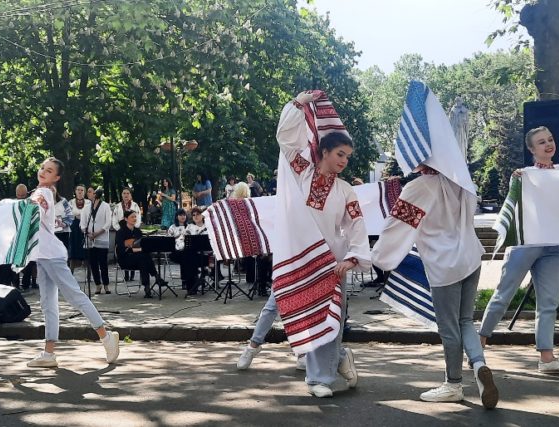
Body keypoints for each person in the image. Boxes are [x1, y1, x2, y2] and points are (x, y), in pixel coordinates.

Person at [236, 91, 370, 398]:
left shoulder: (347, 190)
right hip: (301, 258)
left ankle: (318, 380)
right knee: (307, 316)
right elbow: (285, 139)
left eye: (348, 157)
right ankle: (337, 360)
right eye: (340, 155)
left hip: (331, 262)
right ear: (324, 151)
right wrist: (297, 104)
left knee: (329, 319)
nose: (344, 162)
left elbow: (356, 225)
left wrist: (352, 258)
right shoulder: (303, 172)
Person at [372, 81, 498, 409]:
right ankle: (480, 365)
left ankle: (454, 383)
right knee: (466, 321)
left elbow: (397, 228)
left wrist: (376, 259)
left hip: (444, 265)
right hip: (471, 256)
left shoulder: (418, 188)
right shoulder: (461, 181)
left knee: (448, 327)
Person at [478, 126, 559, 375]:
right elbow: (513, 206)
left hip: (550, 246)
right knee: (503, 296)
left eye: (551, 139)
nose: (548, 145)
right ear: (532, 149)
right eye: (541, 142)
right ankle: (477, 346)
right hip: (525, 246)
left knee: (548, 302)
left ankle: (547, 358)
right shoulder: (524, 174)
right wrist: (517, 180)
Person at [24, 157, 120, 368]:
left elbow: (29, 208)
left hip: (52, 255)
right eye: (42, 168)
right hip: (43, 255)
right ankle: (49, 354)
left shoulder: (44, 193)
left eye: (49, 171)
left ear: (56, 178)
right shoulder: (39, 193)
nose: (43, 172)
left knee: (74, 296)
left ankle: (106, 337)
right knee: (48, 303)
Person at [116, 210, 169, 298]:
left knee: (143, 258)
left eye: (135, 217)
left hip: (139, 258)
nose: (134, 218)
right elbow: (120, 249)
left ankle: (147, 288)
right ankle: (156, 278)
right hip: (125, 259)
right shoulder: (120, 232)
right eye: (132, 217)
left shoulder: (137, 231)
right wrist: (133, 249)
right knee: (143, 257)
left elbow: (142, 245)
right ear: (126, 219)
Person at [168, 206, 209, 296]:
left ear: (202, 216)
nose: (195, 216)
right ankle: (194, 283)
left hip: (206, 256)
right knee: (188, 257)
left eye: (198, 214)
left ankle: (191, 285)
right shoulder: (189, 227)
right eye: (193, 215)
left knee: (188, 258)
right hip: (192, 255)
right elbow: (182, 240)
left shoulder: (209, 227)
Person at [82, 188, 112, 294]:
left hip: (102, 238)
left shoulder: (105, 206)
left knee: (103, 263)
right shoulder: (86, 208)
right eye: (89, 192)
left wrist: (98, 233)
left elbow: (108, 222)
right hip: (90, 239)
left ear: (96, 194)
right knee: (93, 264)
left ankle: (106, 285)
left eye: (92, 192)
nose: (90, 193)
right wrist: (87, 233)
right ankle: (98, 285)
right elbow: (82, 223)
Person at [68, 185, 90, 269]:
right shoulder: (71, 202)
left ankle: (87, 271)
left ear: (84, 192)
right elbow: (69, 214)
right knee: (74, 247)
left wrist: (80, 215)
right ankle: (72, 269)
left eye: (82, 190)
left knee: (85, 248)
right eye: (78, 190)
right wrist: (79, 215)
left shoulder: (88, 202)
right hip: (74, 227)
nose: (80, 192)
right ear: (75, 191)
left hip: (85, 226)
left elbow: (89, 213)